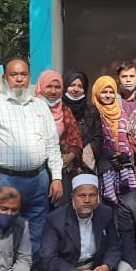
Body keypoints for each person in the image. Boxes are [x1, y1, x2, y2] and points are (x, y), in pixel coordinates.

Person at [0, 57, 64, 262]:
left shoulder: (40, 106)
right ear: (4, 78)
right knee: (4, 230)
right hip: (5, 179)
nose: (19, 79)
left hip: (38, 180)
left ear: (29, 77)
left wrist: (57, 177)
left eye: (23, 74)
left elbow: (52, 144)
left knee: (37, 230)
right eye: (14, 74)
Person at [39, 174, 129, 271]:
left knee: (126, 270)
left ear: (98, 197)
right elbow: (48, 258)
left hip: (94, 268)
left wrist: (105, 267)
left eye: (92, 195)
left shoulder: (105, 212)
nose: (87, 200)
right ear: (72, 197)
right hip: (66, 270)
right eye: (81, 195)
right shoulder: (55, 219)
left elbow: (114, 246)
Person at [36, 70, 85, 206]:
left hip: (63, 171)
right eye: (49, 86)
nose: (53, 91)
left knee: (61, 212)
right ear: (41, 86)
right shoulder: (32, 109)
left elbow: (76, 138)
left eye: (57, 87)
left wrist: (71, 156)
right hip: (39, 172)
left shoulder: (65, 110)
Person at [90, 75, 136, 206]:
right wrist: (111, 156)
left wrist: (125, 156)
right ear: (97, 93)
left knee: (125, 206)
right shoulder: (92, 113)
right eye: (104, 92)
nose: (108, 95)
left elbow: (129, 139)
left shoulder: (122, 114)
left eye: (111, 92)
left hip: (123, 166)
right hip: (103, 167)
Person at [61, 69, 103, 175]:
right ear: (65, 86)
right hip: (60, 165)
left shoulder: (91, 110)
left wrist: (78, 157)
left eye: (80, 86)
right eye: (72, 85)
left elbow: (98, 137)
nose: (76, 89)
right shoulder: (58, 109)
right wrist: (65, 157)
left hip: (85, 168)